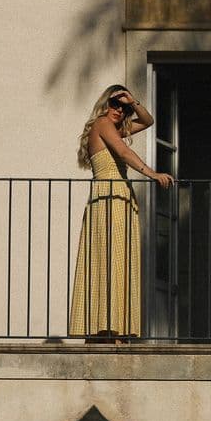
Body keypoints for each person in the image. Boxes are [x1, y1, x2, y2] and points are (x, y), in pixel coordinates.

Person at [69, 85, 174, 343]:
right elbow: (124, 153)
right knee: (106, 261)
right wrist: (153, 174)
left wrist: (133, 101)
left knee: (120, 262)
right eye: (115, 104)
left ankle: (116, 328)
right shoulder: (102, 124)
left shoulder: (116, 128)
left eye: (123, 107)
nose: (119, 110)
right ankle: (105, 330)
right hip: (108, 196)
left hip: (121, 198)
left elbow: (148, 121)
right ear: (105, 104)